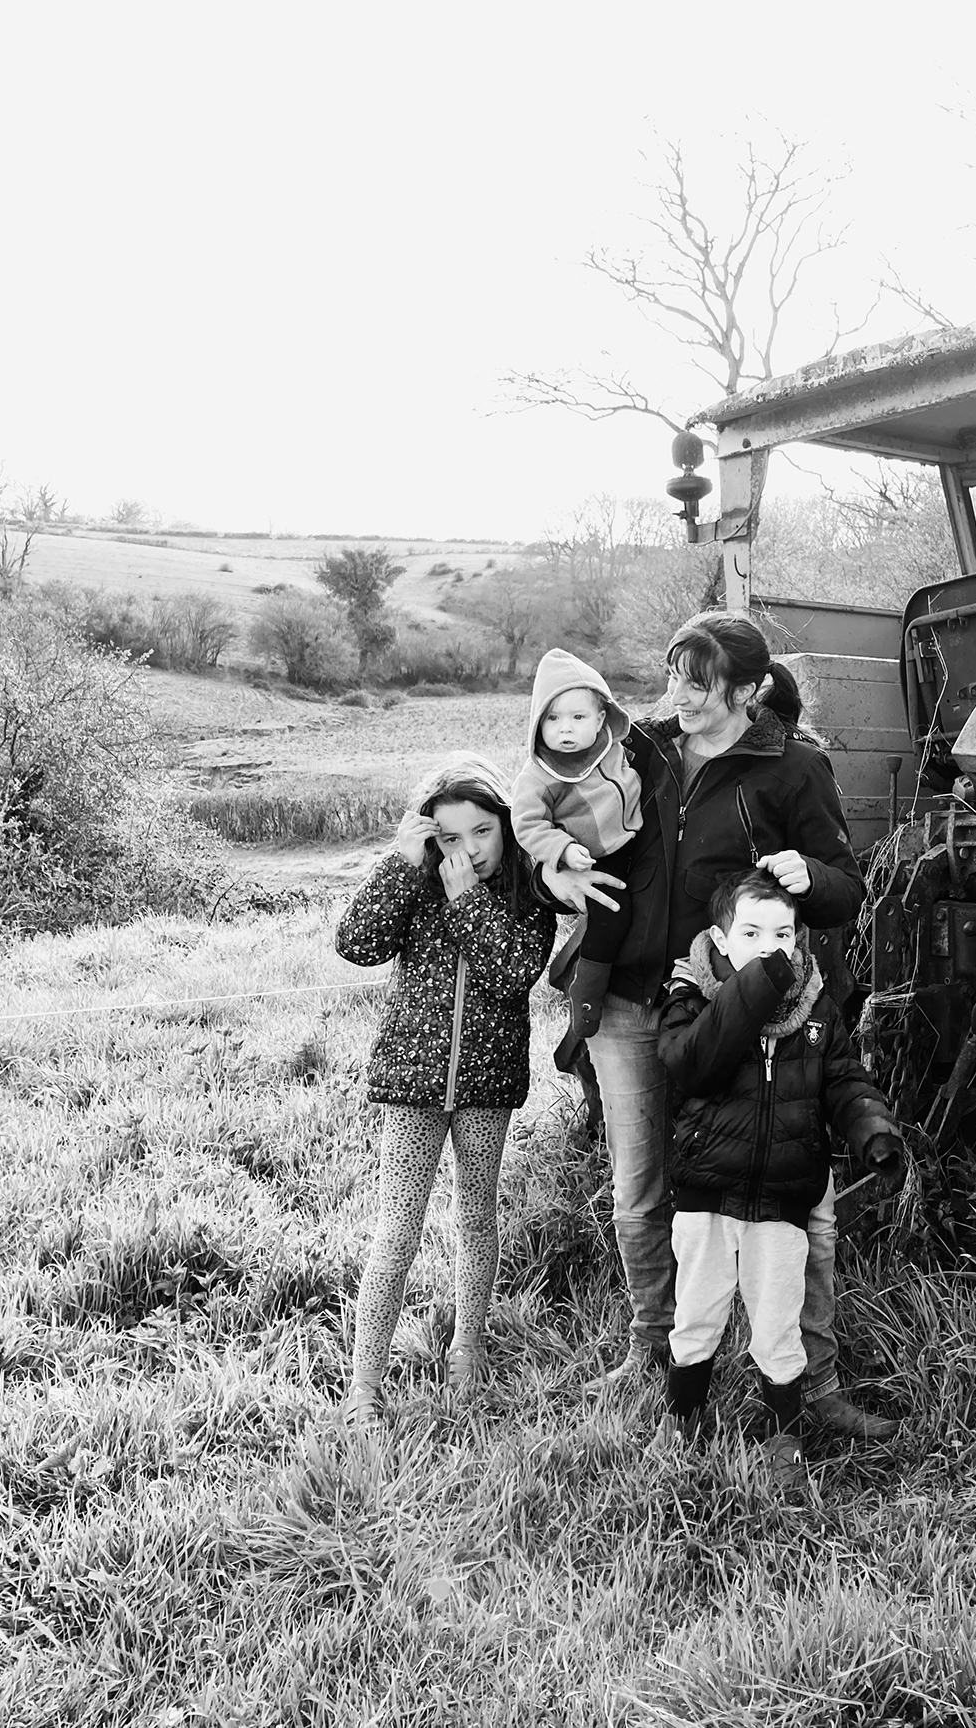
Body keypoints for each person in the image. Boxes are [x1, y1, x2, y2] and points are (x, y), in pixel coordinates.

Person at [540, 608, 900, 1441]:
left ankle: (814, 1381)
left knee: (798, 1200)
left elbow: (846, 889)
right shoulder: (641, 751)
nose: (679, 696)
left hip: (743, 1011)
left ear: (747, 690)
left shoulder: (793, 769)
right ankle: (656, 1352)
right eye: (674, 676)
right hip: (631, 996)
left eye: (699, 683)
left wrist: (809, 875)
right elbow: (552, 804)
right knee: (641, 1190)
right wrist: (553, 863)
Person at [657, 872, 906, 1482]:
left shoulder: (815, 1009)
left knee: (778, 1326)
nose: (770, 948)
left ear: (800, 939)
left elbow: (843, 1080)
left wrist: (872, 1129)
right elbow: (688, 1063)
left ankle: (782, 1439)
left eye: (783, 935)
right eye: (751, 934)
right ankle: (683, 1420)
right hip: (708, 1196)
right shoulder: (692, 996)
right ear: (720, 939)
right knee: (696, 1316)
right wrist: (753, 991)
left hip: (781, 1200)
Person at [335, 752, 555, 1429]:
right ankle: (365, 1385)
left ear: (506, 825)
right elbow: (355, 944)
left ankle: (468, 1345)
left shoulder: (528, 895)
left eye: (483, 831)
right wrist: (401, 866)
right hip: (414, 1086)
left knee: (476, 1215)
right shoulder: (416, 883)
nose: (471, 849)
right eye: (452, 837)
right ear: (432, 837)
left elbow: (512, 974)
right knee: (397, 1230)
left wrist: (468, 904)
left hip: (487, 1086)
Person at [510, 646, 645, 1069]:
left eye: (578, 717)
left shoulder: (614, 748)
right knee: (611, 913)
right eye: (552, 719)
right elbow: (527, 825)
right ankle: (586, 990)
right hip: (590, 857)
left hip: (634, 840)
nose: (565, 728)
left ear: (602, 719)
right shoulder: (539, 775)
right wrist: (563, 851)